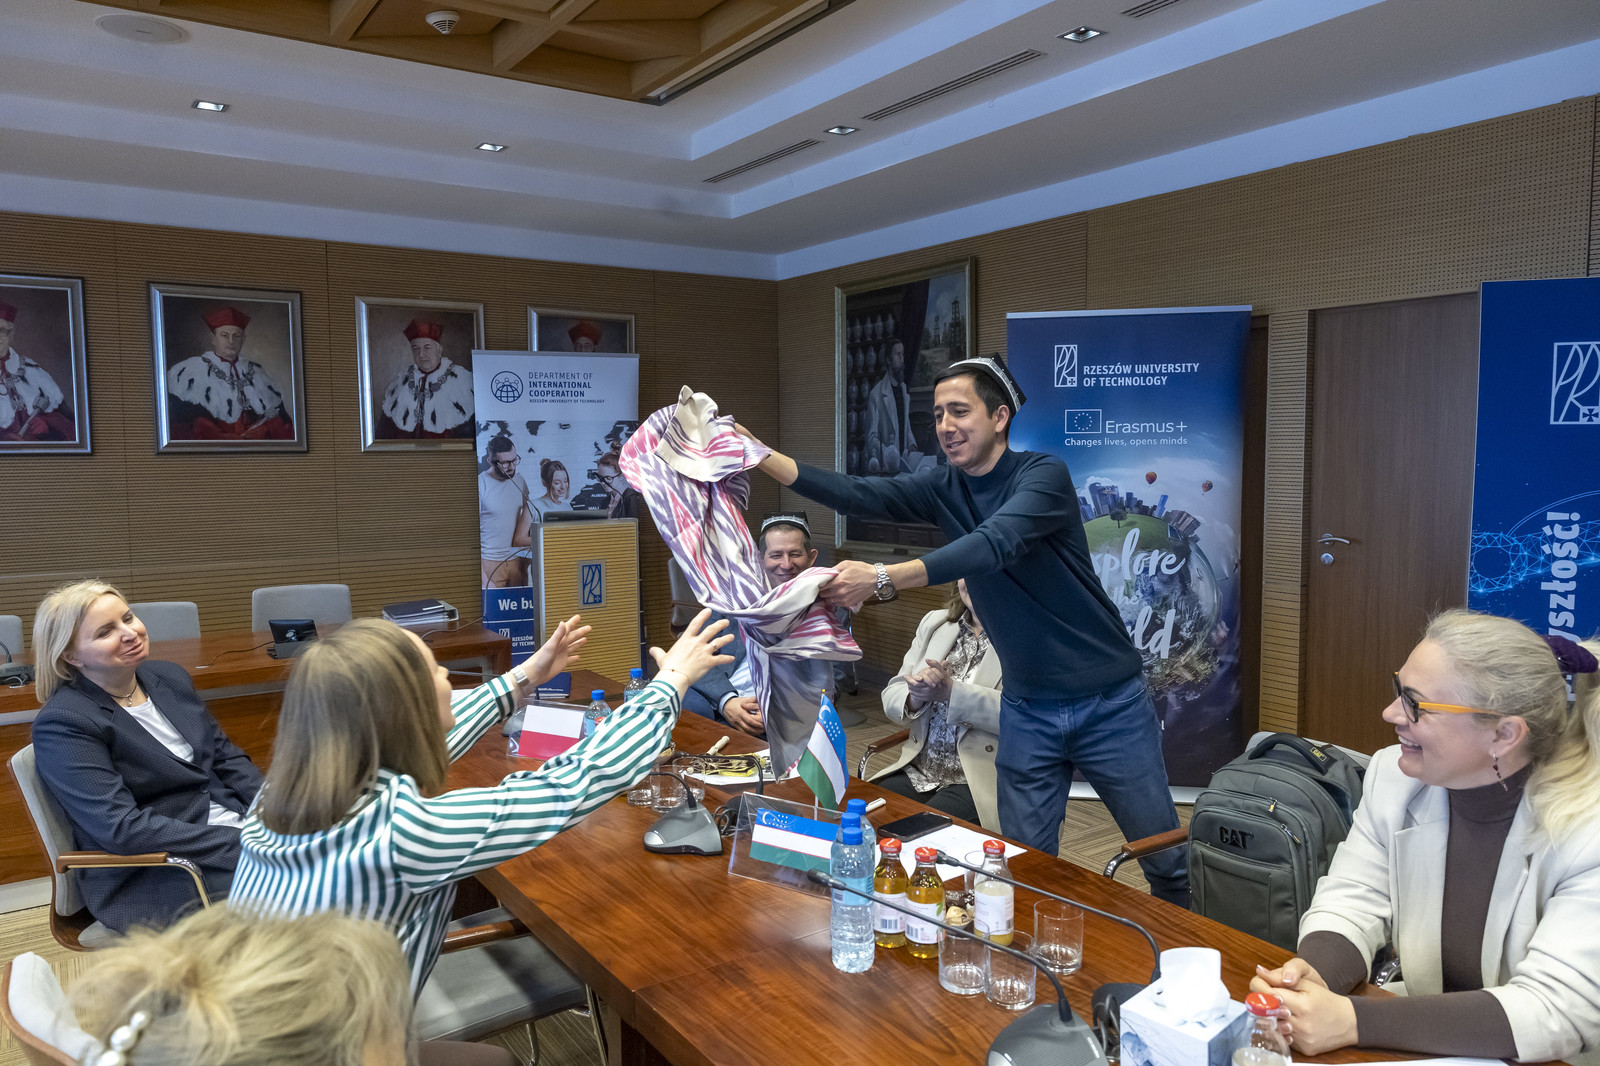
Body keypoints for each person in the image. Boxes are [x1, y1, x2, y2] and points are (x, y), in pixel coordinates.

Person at [739, 353, 1188, 906]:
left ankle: (1194, 949)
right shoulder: (943, 486)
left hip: (1109, 703)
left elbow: (994, 543)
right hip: (1028, 708)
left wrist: (883, 577)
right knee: (1021, 862)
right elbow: (859, 492)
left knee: (1165, 860)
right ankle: (1027, 949)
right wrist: (760, 456)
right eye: (937, 415)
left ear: (999, 417)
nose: (946, 426)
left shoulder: (1042, 475)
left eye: (959, 411)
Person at [231, 610, 733, 997]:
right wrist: (671, 682)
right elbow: (572, 783)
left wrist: (527, 675)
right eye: (434, 670)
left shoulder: (282, 792)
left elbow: (430, 736)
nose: (448, 673)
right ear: (404, 708)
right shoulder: (401, 834)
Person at [1250, 611, 1600, 1063]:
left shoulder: (1587, 831)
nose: (1391, 713)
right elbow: (1354, 897)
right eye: (1399, 689)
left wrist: (1353, 1021)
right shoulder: (1394, 777)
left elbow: (1556, 1009)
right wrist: (1313, 975)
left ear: (1504, 734)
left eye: (1415, 703)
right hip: (1428, 1035)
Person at [29, 580, 264, 933]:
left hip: (232, 828)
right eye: (106, 632)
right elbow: (122, 829)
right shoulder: (66, 722)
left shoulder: (168, 676)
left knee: (338, 855)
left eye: (127, 618)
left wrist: (279, 810)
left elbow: (225, 758)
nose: (130, 633)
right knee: (313, 885)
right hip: (160, 871)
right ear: (71, 656)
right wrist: (243, 842)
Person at [871, 578, 1002, 831]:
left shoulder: (1027, 635)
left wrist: (952, 693)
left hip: (977, 780)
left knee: (914, 833)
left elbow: (1026, 716)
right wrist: (916, 695)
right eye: (968, 572)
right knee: (861, 820)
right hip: (919, 771)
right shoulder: (935, 622)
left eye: (987, 572)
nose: (975, 581)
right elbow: (891, 695)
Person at [682, 512, 824, 737]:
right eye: (776, 555)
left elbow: (833, 677)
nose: (786, 565)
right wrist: (727, 701)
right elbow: (692, 654)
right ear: (760, 558)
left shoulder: (828, 605)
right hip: (724, 696)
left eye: (795, 554)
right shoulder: (732, 598)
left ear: (811, 557)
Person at [165, 307, 294, 440]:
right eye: (224, 335)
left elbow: (284, 425)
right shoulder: (190, 371)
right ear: (213, 338)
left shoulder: (258, 372)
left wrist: (265, 429)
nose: (231, 341)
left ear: (243, 339)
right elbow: (180, 426)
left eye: (237, 336)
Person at [378, 318, 474, 439]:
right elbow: (384, 433)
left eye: (427, 347)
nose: (421, 354)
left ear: (439, 350)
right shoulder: (401, 382)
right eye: (416, 349)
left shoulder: (461, 380)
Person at [0, 298, 75, 443]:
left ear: (11, 334)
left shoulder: (33, 372)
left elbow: (72, 429)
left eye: (1, 331)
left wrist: (46, 426)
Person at [478, 435, 534, 587]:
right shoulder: (481, 484)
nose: (512, 466)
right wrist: (482, 575)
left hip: (517, 560)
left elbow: (528, 518)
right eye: (505, 463)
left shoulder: (520, 481)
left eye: (514, 460)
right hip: (490, 563)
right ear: (491, 461)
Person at [863, 338, 914, 474]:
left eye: (903, 354)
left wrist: (912, 444)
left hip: (904, 467)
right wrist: (891, 455)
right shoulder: (876, 394)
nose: (902, 359)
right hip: (886, 468)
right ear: (888, 360)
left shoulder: (903, 389)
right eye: (898, 354)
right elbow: (871, 438)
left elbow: (906, 426)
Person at [596, 449, 642, 519]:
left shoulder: (631, 497)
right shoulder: (605, 501)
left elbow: (632, 524)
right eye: (601, 478)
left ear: (621, 476)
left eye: (608, 478)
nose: (603, 482)